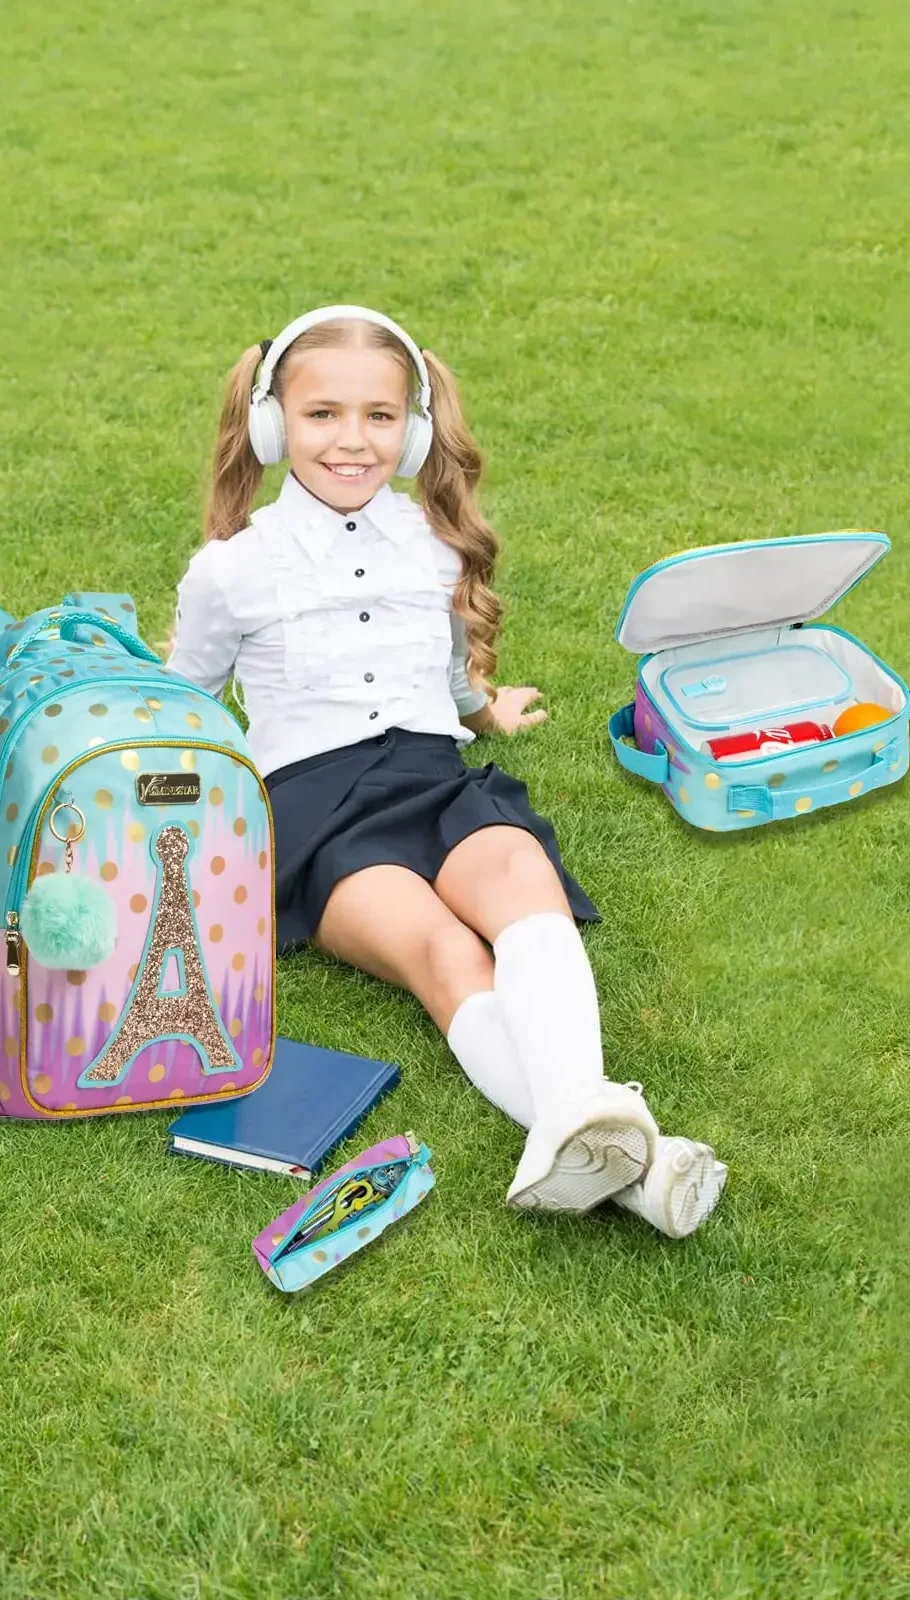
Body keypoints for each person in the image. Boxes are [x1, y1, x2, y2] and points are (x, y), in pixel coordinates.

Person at [165, 305, 725, 1237]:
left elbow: (451, 666)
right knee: (444, 953)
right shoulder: (232, 571)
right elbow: (183, 702)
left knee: (522, 884)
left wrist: (484, 708)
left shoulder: (431, 543)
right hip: (315, 811)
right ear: (274, 426)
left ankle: (582, 1130)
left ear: (415, 431)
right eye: (322, 415)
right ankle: (643, 1166)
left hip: (435, 775)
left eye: (381, 417)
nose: (353, 441)